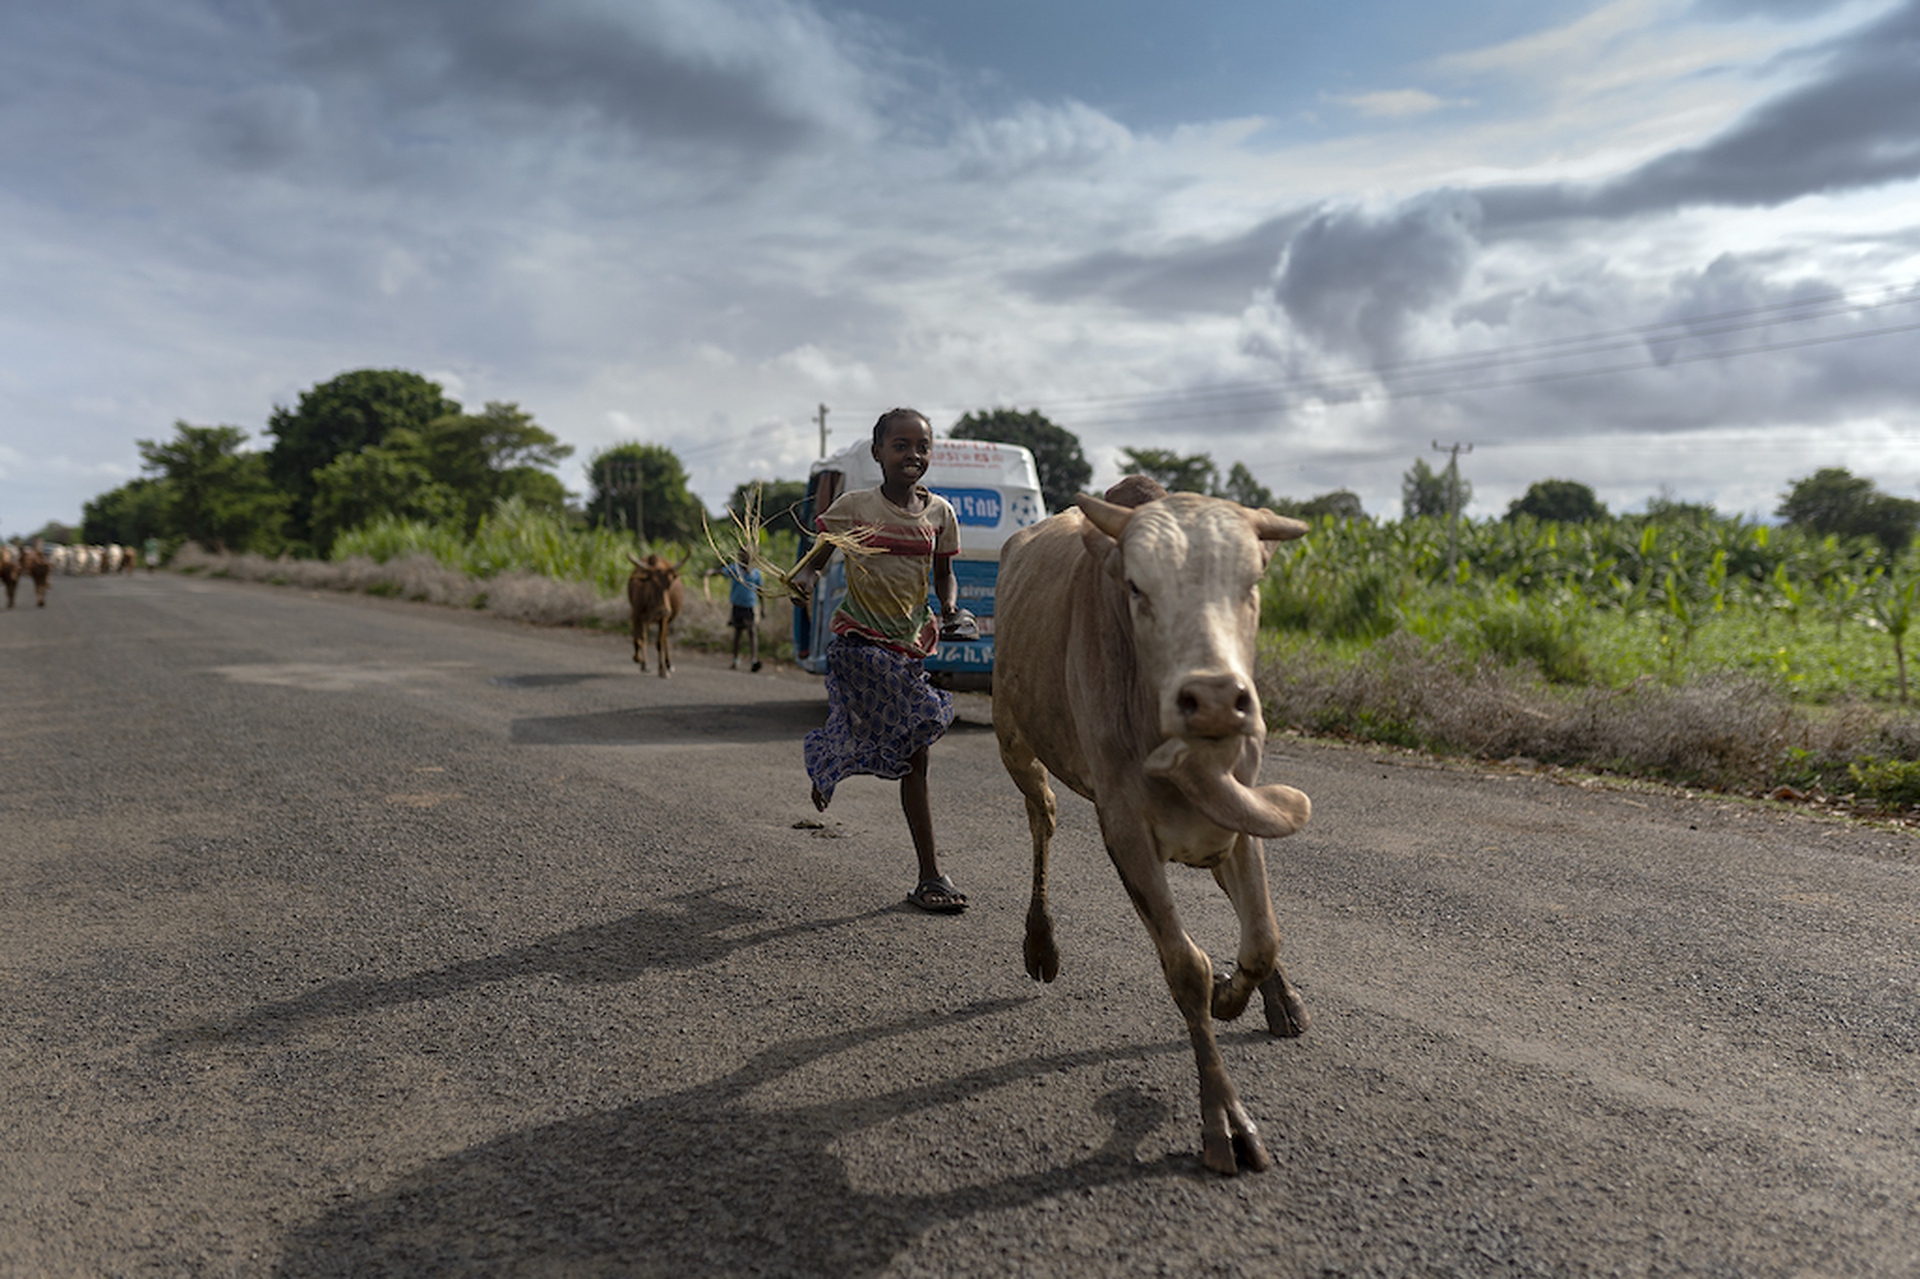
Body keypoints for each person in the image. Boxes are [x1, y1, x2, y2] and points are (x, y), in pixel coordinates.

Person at [791, 407, 970, 914]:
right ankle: (932, 875)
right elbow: (816, 561)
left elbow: (943, 575)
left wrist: (950, 606)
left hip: (908, 645)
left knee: (908, 749)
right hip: (859, 645)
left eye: (922, 447)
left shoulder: (940, 514)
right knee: (923, 730)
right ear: (878, 453)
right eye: (901, 446)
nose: (913, 455)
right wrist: (803, 582)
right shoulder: (855, 508)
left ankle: (829, 755)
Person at [707, 547, 765, 671]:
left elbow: (760, 591)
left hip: (750, 606)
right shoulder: (735, 569)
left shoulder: (756, 573)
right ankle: (735, 660)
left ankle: (754, 660)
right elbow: (722, 572)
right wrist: (711, 572)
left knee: (752, 631)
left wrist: (763, 608)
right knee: (738, 633)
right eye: (741, 554)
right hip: (737, 605)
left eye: (746, 554)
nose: (743, 557)